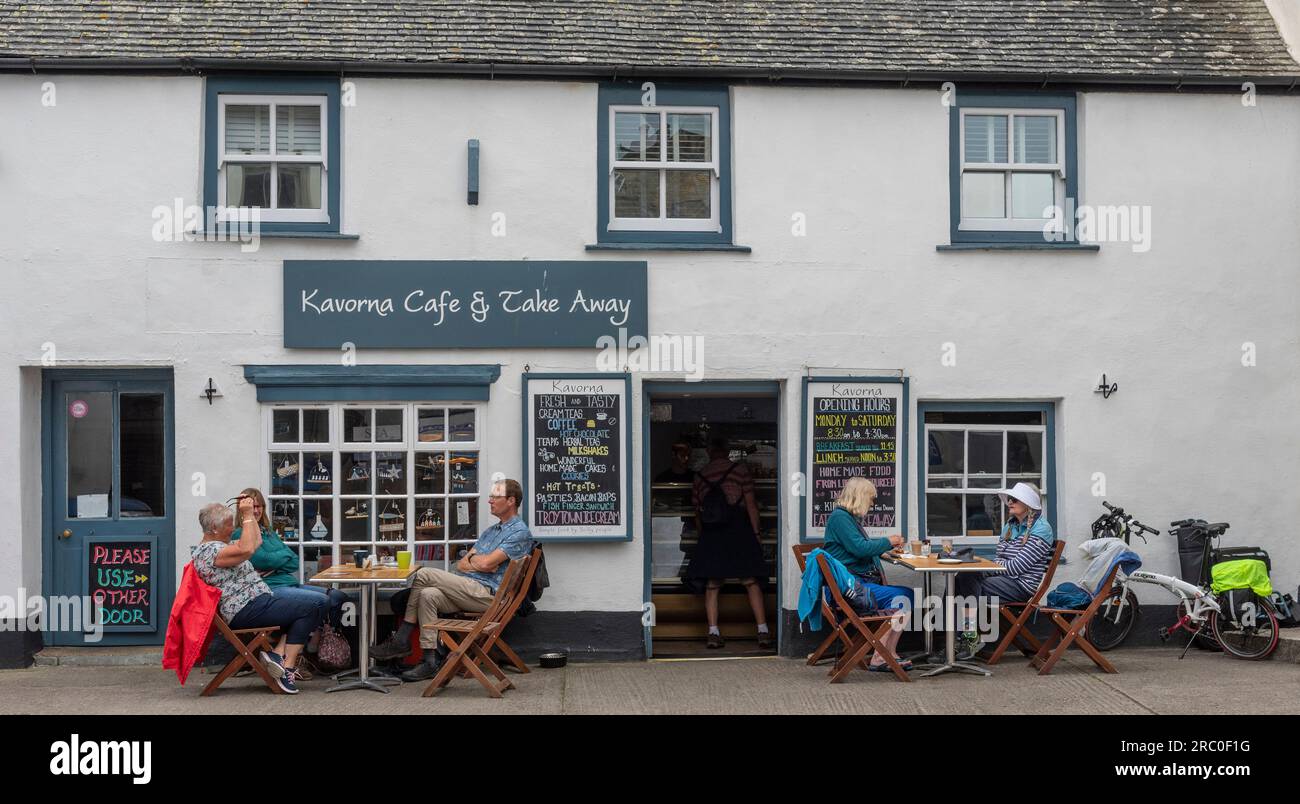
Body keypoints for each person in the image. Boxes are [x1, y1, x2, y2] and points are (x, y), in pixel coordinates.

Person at [370, 479, 534, 681]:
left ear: (511, 501)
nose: (489, 501)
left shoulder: (519, 532)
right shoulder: (491, 531)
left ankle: (402, 638)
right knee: (427, 595)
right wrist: (479, 561)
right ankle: (429, 661)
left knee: (423, 574)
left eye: (495, 497)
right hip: (468, 589)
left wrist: (479, 561)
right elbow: (462, 564)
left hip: (487, 595)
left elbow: (483, 564)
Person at [192, 499, 327, 694]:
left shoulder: (220, 546)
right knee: (316, 603)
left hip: (257, 602)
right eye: (230, 524)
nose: (232, 529)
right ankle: (286, 667)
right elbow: (247, 549)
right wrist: (246, 515)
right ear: (214, 527)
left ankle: (278, 656)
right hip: (245, 610)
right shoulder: (210, 551)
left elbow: (255, 543)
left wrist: (252, 517)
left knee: (316, 603)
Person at [685, 437, 771, 649]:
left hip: (712, 533)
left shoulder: (700, 475)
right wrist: (757, 534)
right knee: (750, 580)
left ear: (709, 450)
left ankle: (713, 632)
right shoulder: (740, 471)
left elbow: (697, 511)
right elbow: (751, 505)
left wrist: (703, 536)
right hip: (739, 530)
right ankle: (763, 631)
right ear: (727, 451)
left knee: (712, 584)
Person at [821, 477, 913, 671]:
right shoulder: (840, 518)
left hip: (854, 586)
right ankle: (880, 656)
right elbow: (860, 548)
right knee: (902, 596)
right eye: (871, 499)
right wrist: (888, 541)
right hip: (849, 590)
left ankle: (889, 652)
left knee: (907, 594)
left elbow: (854, 549)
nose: (872, 504)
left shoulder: (848, 518)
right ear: (861, 497)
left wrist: (883, 551)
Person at [953, 481, 1055, 657]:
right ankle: (956, 639)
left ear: (1028, 503)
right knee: (960, 578)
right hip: (1004, 580)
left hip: (1021, 585)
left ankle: (966, 639)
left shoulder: (1042, 529)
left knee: (967, 583)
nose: (1009, 502)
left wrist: (986, 567)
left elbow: (1017, 567)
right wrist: (985, 567)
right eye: (1009, 498)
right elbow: (1000, 559)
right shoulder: (1010, 526)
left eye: (1014, 499)